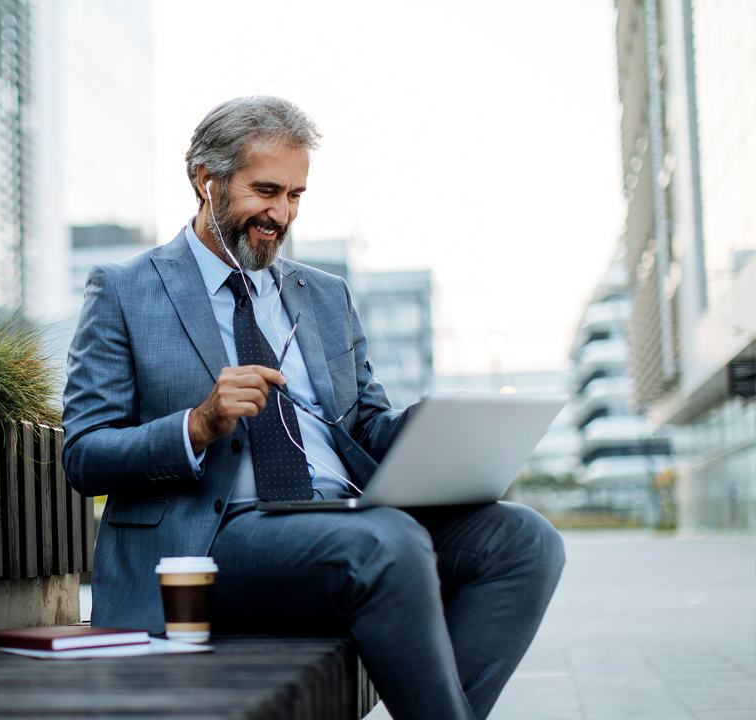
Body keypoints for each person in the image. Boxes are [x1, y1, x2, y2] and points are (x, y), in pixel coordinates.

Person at [61, 95, 565, 720]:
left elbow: (367, 427)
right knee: (388, 540)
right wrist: (199, 423)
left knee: (524, 539)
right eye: (265, 190)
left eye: (296, 196)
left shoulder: (325, 296)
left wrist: (435, 431)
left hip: (343, 522)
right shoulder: (125, 290)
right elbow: (84, 455)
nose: (281, 214)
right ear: (206, 180)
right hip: (212, 545)